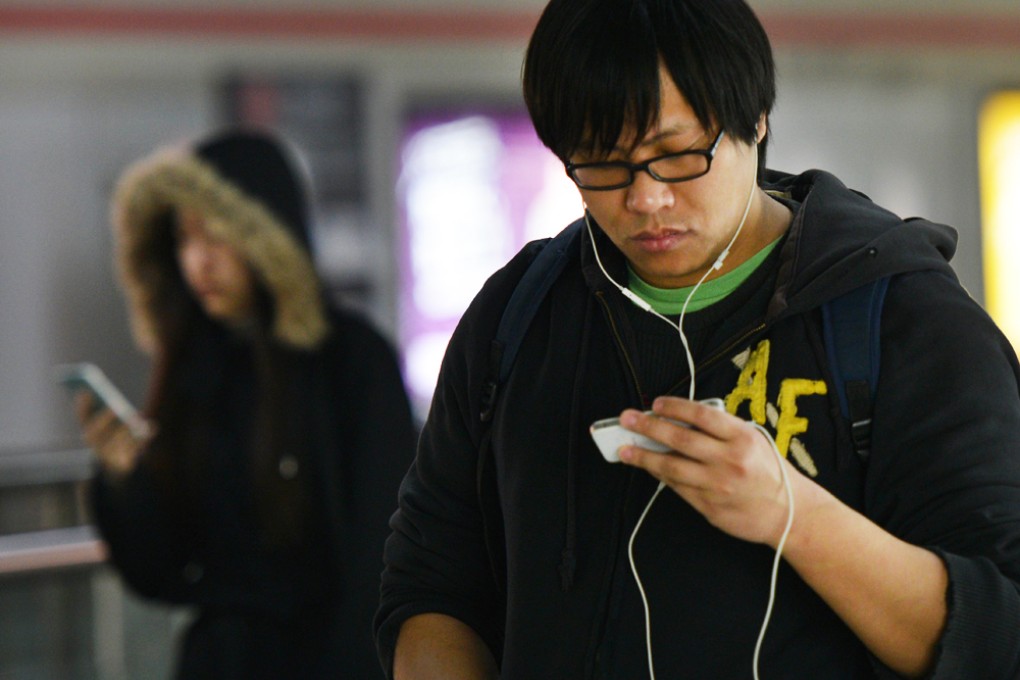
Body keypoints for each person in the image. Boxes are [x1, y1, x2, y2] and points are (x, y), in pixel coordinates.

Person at [375, 1, 1020, 679]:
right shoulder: (520, 315)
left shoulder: (901, 317)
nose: (646, 199)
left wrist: (794, 516)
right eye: (601, 164)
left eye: (678, 155)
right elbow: (432, 580)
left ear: (756, 119)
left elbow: (1000, 633)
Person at [75, 127, 417, 679]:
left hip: (330, 659)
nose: (198, 261)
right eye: (184, 239)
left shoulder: (351, 360)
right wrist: (125, 482)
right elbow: (161, 571)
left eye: (217, 236)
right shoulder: (198, 366)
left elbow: (378, 555)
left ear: (267, 237)